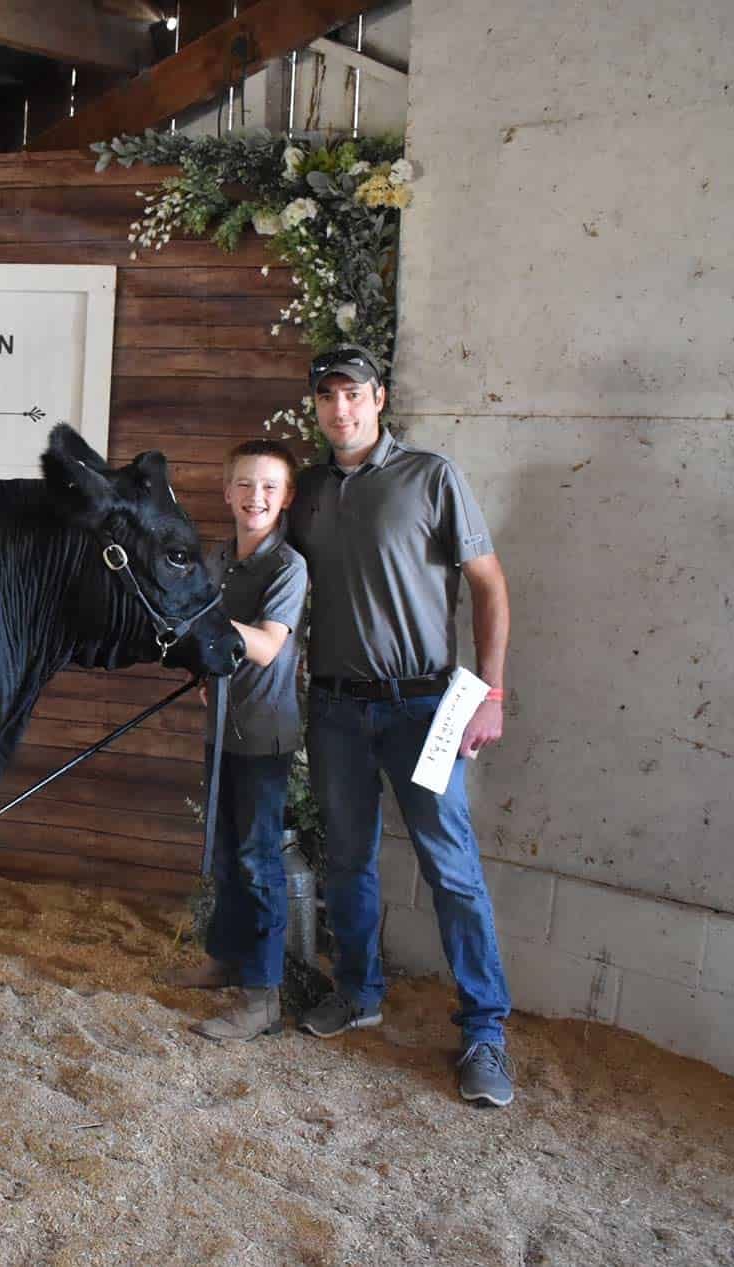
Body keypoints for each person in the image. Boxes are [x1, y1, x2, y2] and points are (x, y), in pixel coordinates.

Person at [286, 344, 516, 1108]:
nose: (340, 409)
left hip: (426, 707)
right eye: (327, 397)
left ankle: (485, 1032)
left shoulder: (431, 476)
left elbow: (488, 587)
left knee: (450, 867)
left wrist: (491, 691)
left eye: (353, 394)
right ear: (316, 405)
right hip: (337, 709)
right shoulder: (309, 491)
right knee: (348, 859)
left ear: (378, 398)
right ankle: (359, 991)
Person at [185, 440, 308, 1043]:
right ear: (227, 492)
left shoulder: (288, 566)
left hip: (264, 736)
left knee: (259, 863)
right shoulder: (216, 560)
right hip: (221, 730)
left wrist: (193, 616)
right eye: (244, 485)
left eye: (268, 487)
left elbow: (264, 645)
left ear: (284, 499)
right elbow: (207, 647)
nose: (254, 497)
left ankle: (263, 998)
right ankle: (224, 960)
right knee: (224, 854)